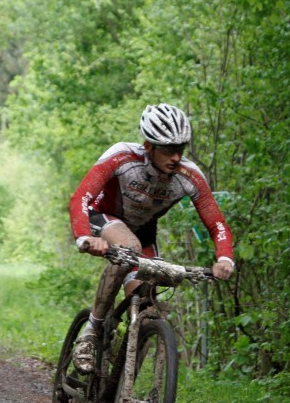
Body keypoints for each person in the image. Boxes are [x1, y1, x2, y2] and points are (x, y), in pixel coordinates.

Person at [68, 103, 234, 373]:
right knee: (129, 247)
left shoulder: (189, 176)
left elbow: (217, 223)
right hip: (103, 216)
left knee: (148, 309)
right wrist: (86, 237)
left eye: (181, 149)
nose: (176, 157)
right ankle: (92, 331)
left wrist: (225, 258)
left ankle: (122, 390)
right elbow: (81, 197)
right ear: (148, 146)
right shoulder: (122, 157)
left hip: (143, 232)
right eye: (168, 150)